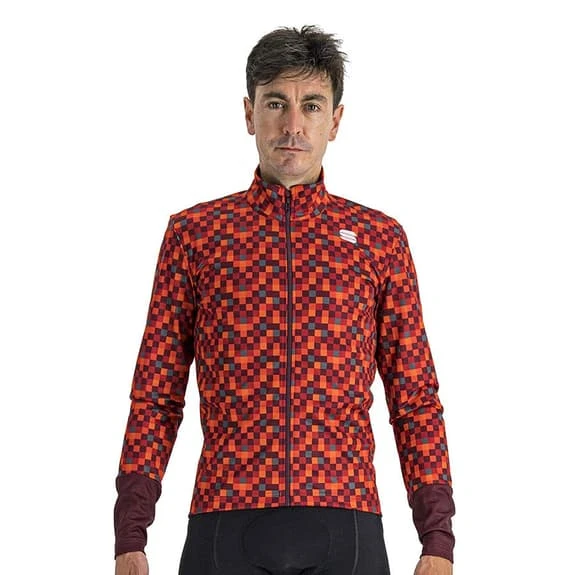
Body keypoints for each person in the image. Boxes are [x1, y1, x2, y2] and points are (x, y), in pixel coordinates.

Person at [113, 25, 455, 575]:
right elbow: (157, 392)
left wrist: (437, 539)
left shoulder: (379, 239)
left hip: (347, 519)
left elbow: (414, 397)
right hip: (225, 518)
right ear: (249, 113)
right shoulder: (196, 235)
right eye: (276, 103)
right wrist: (130, 531)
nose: (293, 125)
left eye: (311, 106)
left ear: (334, 121)